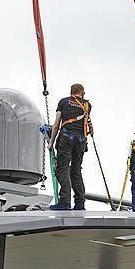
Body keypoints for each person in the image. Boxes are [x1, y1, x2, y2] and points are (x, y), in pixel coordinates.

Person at [48, 83, 93, 211]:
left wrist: (51, 142)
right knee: (76, 170)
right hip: (81, 140)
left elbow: (56, 124)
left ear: (71, 92)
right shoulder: (87, 105)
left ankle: (64, 202)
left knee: (62, 168)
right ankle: (80, 203)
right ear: (83, 93)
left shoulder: (63, 102)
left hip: (67, 138)